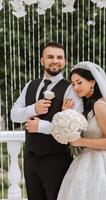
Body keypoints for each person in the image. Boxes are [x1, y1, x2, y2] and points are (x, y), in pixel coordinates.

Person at [10, 42, 83, 200]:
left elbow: (75, 129)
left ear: (65, 61)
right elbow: (14, 115)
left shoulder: (72, 89)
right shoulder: (30, 85)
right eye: (50, 57)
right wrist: (33, 110)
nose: (55, 61)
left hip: (57, 159)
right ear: (42, 60)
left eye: (59, 57)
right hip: (30, 159)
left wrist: (41, 126)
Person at [57, 61, 106, 200]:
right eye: (73, 84)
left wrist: (80, 141)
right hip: (87, 160)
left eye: (79, 82)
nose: (75, 87)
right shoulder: (88, 106)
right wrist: (67, 116)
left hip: (104, 165)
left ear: (92, 82)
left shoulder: (100, 105)